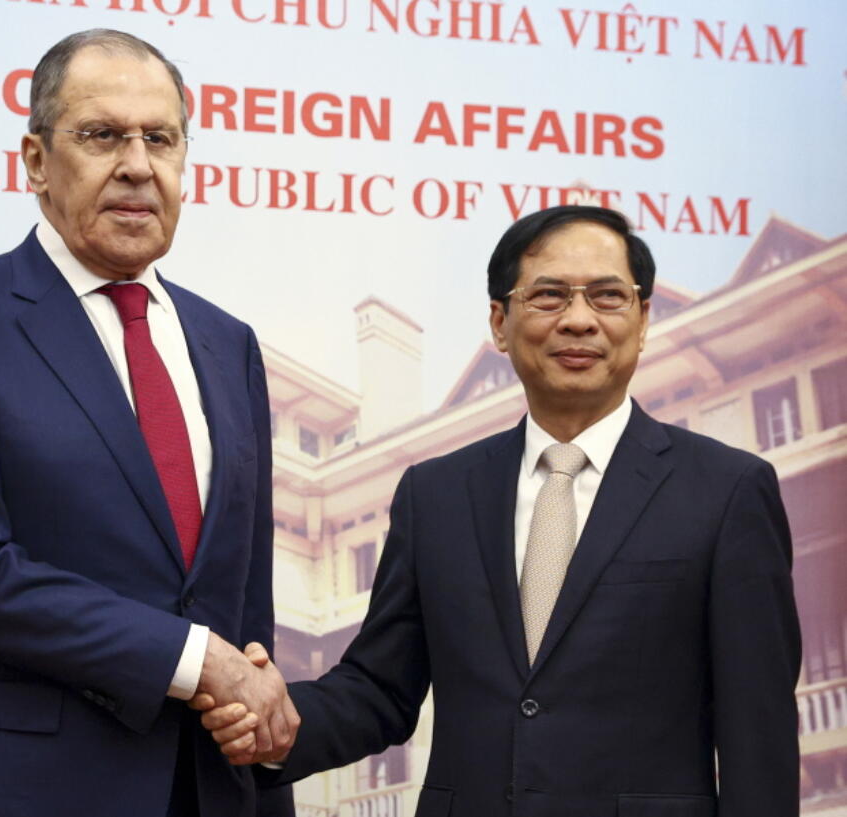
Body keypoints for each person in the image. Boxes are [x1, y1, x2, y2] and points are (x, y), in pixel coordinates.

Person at [198, 205, 801, 817]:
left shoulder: (727, 491)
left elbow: (759, 735)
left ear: (643, 320)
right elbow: (379, 690)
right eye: (548, 296)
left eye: (607, 297)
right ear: (499, 323)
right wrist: (277, 719)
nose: (579, 320)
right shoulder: (434, 495)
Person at [0, 29, 296, 817]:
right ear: (34, 161)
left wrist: (249, 698)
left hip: (202, 787)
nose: (136, 164)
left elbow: (241, 599)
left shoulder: (228, 345)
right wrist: (199, 661)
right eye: (101, 135)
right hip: (3, 787)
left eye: (160, 138)